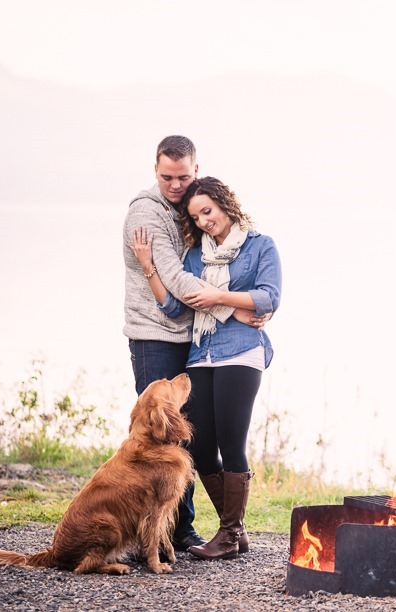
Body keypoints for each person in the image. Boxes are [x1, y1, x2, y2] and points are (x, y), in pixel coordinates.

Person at [122, 136, 267, 552]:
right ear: (155, 170)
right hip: (155, 335)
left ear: (197, 171)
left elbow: (265, 293)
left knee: (184, 438)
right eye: (167, 176)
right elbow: (176, 285)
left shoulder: (219, 229)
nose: (175, 184)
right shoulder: (146, 212)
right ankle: (159, 530)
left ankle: (191, 529)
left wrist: (248, 304)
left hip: (195, 341)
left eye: (183, 176)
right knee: (159, 436)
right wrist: (235, 308)